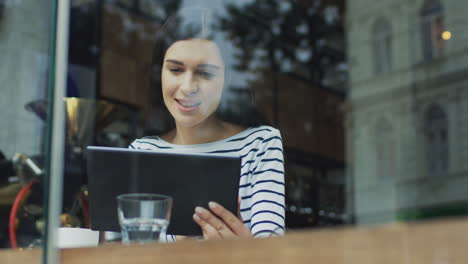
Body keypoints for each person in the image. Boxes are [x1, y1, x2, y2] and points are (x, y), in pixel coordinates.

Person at [129, 8, 285, 241]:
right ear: (159, 72)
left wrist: (243, 254)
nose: (188, 87)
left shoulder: (259, 145)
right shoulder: (141, 153)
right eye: (175, 70)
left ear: (227, 80)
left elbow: (273, 252)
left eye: (205, 73)